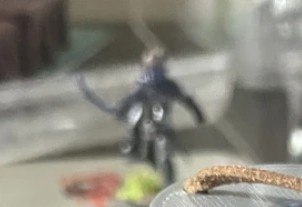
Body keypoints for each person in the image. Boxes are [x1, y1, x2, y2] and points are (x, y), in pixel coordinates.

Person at [78, 48, 206, 188]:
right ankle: (151, 172)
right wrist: (120, 110)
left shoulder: (169, 87)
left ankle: (169, 183)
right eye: (152, 67)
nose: (155, 70)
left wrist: (198, 115)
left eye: (158, 66)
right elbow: (127, 103)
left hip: (163, 128)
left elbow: (186, 100)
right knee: (147, 154)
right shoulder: (143, 87)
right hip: (145, 129)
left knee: (164, 154)